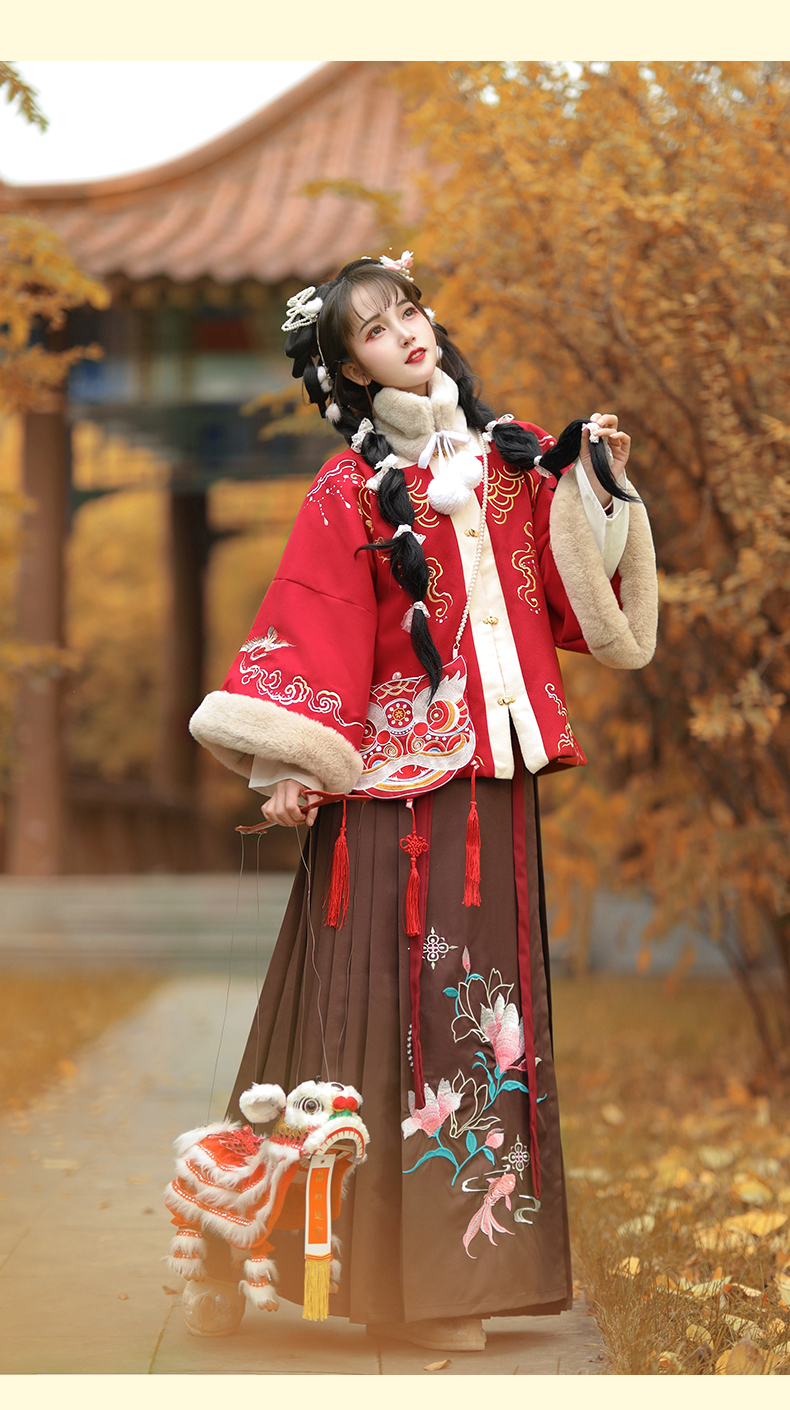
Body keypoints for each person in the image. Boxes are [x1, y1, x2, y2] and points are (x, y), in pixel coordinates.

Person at [188, 252, 658, 1352]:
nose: (406, 331)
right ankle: (383, 1282)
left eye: (408, 310)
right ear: (350, 368)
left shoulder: (510, 459)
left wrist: (597, 487)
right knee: (391, 1015)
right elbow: (316, 622)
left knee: (482, 1021)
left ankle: (462, 1274)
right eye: (373, 329)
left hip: (491, 775)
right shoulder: (347, 489)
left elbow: (573, 599)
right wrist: (296, 761)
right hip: (388, 796)